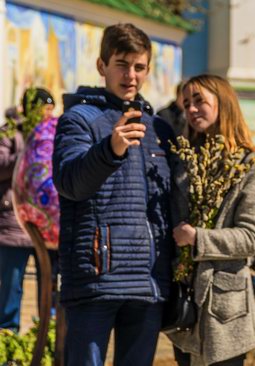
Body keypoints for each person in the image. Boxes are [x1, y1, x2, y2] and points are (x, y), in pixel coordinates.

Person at [52, 23, 175, 366]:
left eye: (139, 67)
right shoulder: (79, 119)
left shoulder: (159, 129)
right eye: (122, 64)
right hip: (96, 277)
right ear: (102, 66)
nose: (131, 75)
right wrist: (110, 149)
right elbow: (70, 182)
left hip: (149, 281)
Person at [168, 74, 255, 365]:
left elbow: (250, 238)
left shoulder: (252, 164)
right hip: (185, 309)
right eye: (187, 103)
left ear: (223, 103)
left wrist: (198, 238)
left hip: (226, 312)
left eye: (199, 100)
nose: (192, 109)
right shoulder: (184, 163)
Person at [0, 88, 56, 332]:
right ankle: (7, 343)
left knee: (49, 288)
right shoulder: (10, 132)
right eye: (45, 110)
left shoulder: (52, 135)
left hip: (47, 227)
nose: (48, 116)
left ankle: (46, 339)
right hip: (13, 226)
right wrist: (28, 154)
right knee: (10, 291)